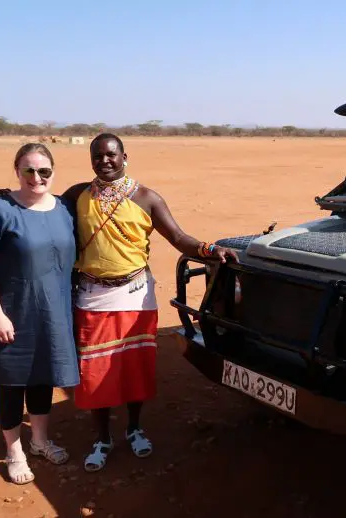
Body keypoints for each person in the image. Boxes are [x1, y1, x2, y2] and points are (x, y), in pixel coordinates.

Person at [60, 133, 237, 472]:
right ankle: (102, 438)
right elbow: (45, 210)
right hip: (92, 297)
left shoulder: (146, 198)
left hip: (135, 296)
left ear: (124, 156)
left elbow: (179, 237)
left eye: (111, 155)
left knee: (134, 367)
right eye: (97, 156)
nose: (104, 161)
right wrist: (12, 200)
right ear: (91, 160)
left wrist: (211, 250)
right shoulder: (77, 195)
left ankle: (134, 428)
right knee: (95, 372)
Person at [0, 143, 79, 485]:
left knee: (43, 377)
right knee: (13, 382)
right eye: (28, 170)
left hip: (54, 313)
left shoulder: (63, 208)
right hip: (14, 313)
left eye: (44, 171)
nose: (36, 177)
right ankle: (14, 451)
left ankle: (40, 440)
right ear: (17, 171)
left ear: (53, 172)